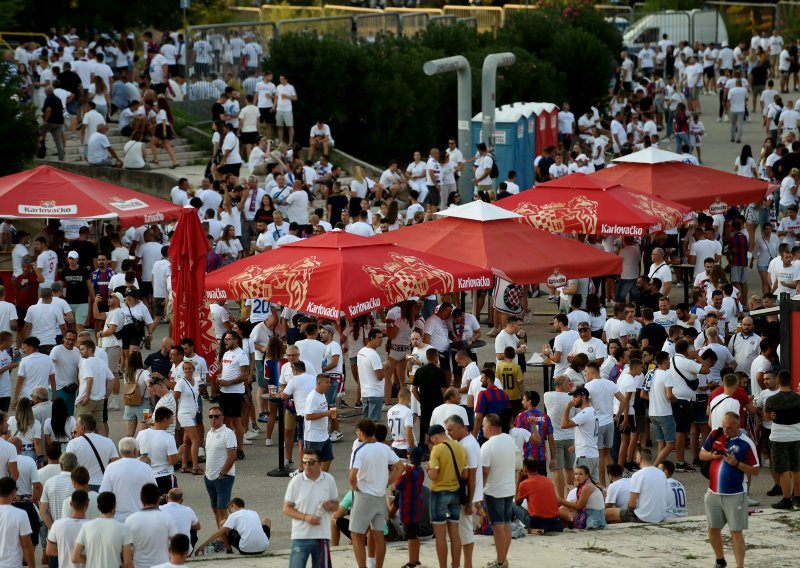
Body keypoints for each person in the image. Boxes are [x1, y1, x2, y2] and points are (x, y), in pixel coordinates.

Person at [700, 411, 760, 568]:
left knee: (736, 532)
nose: (726, 431)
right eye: (724, 427)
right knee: (713, 529)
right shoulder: (715, 434)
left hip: (735, 494)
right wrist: (713, 456)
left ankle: (740, 566)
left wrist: (737, 464)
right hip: (712, 492)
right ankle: (720, 560)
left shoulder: (746, 442)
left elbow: (755, 471)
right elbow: (701, 455)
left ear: (738, 426)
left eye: (730, 428)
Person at [349, 418, 403, 568]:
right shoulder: (385, 448)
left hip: (365, 495)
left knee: (356, 534)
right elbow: (400, 467)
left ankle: (363, 566)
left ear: (361, 432)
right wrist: (386, 481)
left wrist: (355, 487)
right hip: (380, 496)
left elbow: (352, 475)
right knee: (379, 535)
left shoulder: (360, 449)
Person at [283, 448, 338, 567]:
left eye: (311, 462)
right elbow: (287, 508)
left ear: (321, 464)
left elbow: (336, 505)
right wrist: (305, 517)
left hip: (322, 536)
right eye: (304, 462)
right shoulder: (296, 481)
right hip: (300, 536)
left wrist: (329, 506)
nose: (307, 465)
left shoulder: (329, 480)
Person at [426, 423, 467, 568]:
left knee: (440, 535)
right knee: (455, 534)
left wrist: (428, 470)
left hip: (439, 494)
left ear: (435, 437)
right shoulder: (461, 448)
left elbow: (434, 475)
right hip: (455, 493)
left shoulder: (437, 450)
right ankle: (455, 565)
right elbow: (465, 474)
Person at [481, 413, 517, 568]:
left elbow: (485, 471)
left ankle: (500, 561)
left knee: (498, 526)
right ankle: (503, 558)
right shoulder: (509, 439)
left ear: (489, 426)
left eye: (483, 426)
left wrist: (479, 490)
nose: (482, 429)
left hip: (494, 490)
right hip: (509, 488)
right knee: (507, 524)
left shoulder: (488, 445)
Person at [764, 369, 800, 510]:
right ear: (791, 381)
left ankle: (786, 499)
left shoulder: (771, 399)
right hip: (797, 436)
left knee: (784, 469)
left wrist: (771, 415)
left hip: (779, 436)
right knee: (797, 468)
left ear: (778, 381)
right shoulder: (798, 398)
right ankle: (798, 497)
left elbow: (767, 418)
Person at [98, 437, 157, 522]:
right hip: (141, 517)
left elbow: (104, 492)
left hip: (118, 518)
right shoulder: (146, 467)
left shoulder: (111, 467)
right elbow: (154, 492)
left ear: (120, 451)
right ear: (135, 451)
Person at [606, 447, 669, 523]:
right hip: (661, 517)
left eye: (636, 457)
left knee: (606, 513)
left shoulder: (638, 475)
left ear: (639, 458)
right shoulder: (661, 473)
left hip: (643, 517)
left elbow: (632, 504)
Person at [71, 492, 134, 568]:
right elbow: (128, 563)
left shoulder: (86, 526)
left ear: (98, 507)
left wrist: (90, 561)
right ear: (114, 506)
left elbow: (74, 558)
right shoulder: (124, 529)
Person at [125, 483, 178, 568]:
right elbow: (176, 544)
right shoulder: (167, 518)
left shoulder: (130, 520)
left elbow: (127, 555)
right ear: (158, 499)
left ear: (141, 499)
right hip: (163, 565)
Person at [204, 406, 237, 528]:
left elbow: (232, 456)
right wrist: (207, 473)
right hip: (209, 477)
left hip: (223, 478)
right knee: (215, 509)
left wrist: (223, 473)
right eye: (211, 416)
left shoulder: (228, 433)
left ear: (222, 418)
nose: (213, 419)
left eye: (216, 416)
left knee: (222, 509)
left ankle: (224, 540)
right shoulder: (209, 433)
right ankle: (220, 536)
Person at [65, 414, 118, 490]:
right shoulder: (108, 441)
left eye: (76, 426)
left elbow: (69, 467)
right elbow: (114, 465)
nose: (75, 428)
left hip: (82, 485)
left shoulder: (73, 444)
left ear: (82, 428)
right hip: (104, 485)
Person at [135, 406, 178, 495]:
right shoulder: (169, 438)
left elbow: (137, 453)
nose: (171, 423)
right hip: (164, 476)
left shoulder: (141, 434)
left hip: (145, 475)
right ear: (165, 420)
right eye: (170, 420)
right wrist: (180, 452)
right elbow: (172, 461)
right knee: (166, 506)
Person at [561, 385, 600, 482]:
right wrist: (575, 445)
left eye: (575, 397)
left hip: (584, 456)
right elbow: (586, 431)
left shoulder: (584, 414)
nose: (573, 400)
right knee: (594, 485)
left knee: (582, 486)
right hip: (593, 454)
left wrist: (568, 407)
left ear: (583, 397)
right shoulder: (592, 411)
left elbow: (563, 425)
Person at [513, 458, 563, 533]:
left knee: (511, 504)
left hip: (537, 523)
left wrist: (518, 480)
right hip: (555, 522)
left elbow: (517, 502)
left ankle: (508, 525)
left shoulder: (525, 484)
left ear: (524, 468)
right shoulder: (548, 480)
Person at [46, 489, 90, 568]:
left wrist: (66, 552)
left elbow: (49, 550)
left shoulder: (57, 524)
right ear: (87, 504)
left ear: (70, 504)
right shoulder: (92, 526)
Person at [0, 476, 35, 567]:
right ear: (13, 492)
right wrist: (32, 566)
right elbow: (26, 545)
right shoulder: (21, 514)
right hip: (12, 564)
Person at [557, 465, 606, 530]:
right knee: (563, 509)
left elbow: (578, 506)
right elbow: (577, 503)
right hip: (589, 513)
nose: (577, 476)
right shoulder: (583, 486)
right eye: (575, 474)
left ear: (587, 476)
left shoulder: (587, 487)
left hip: (594, 517)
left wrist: (561, 501)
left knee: (560, 510)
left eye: (580, 474)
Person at [160, 489, 201, 556]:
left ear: (167, 497)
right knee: (193, 530)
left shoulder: (160, 509)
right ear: (182, 500)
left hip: (164, 552)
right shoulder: (188, 510)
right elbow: (198, 527)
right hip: (184, 551)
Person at [357, 328, 385, 422]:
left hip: (365, 392)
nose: (381, 340)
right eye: (378, 338)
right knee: (373, 423)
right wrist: (385, 367)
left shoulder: (361, 352)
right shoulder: (374, 355)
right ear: (371, 338)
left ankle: (362, 437)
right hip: (375, 392)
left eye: (382, 337)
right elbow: (380, 376)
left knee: (365, 423)